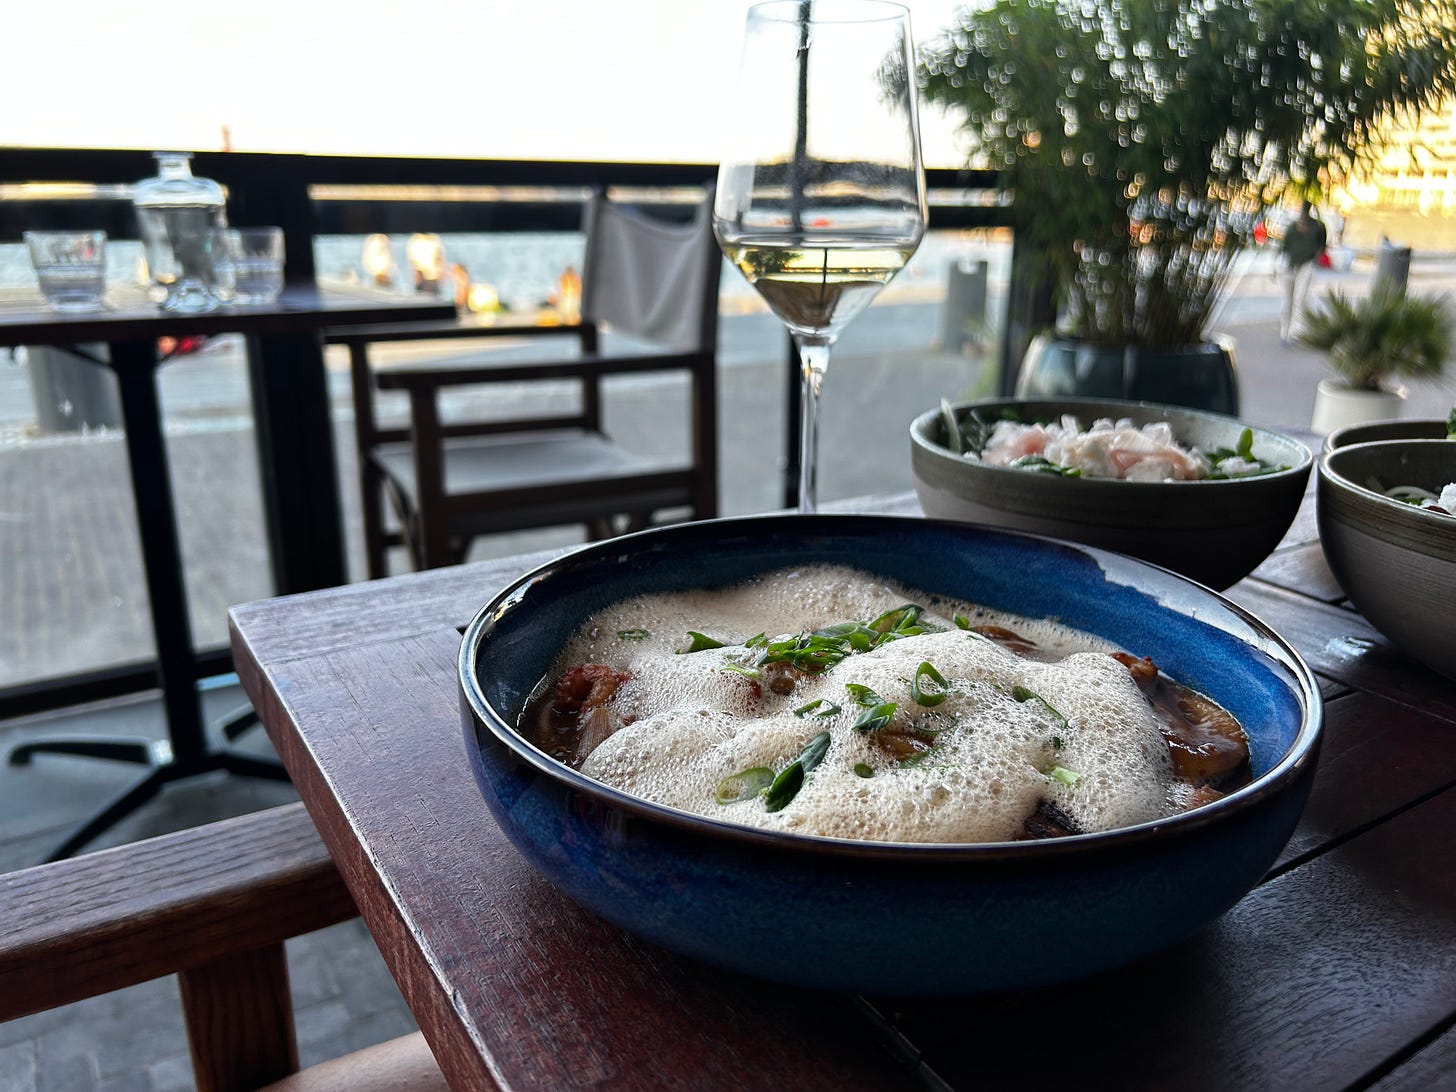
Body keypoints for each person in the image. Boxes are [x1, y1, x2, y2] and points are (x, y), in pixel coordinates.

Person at [1278, 200, 1327, 344]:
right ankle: (1284, 332)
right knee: (1288, 300)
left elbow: (1322, 245)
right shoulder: (1293, 227)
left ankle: (1295, 332)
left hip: (1306, 264)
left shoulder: (1317, 226)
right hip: (1290, 266)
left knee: (1299, 299)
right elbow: (1284, 247)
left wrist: (1315, 256)